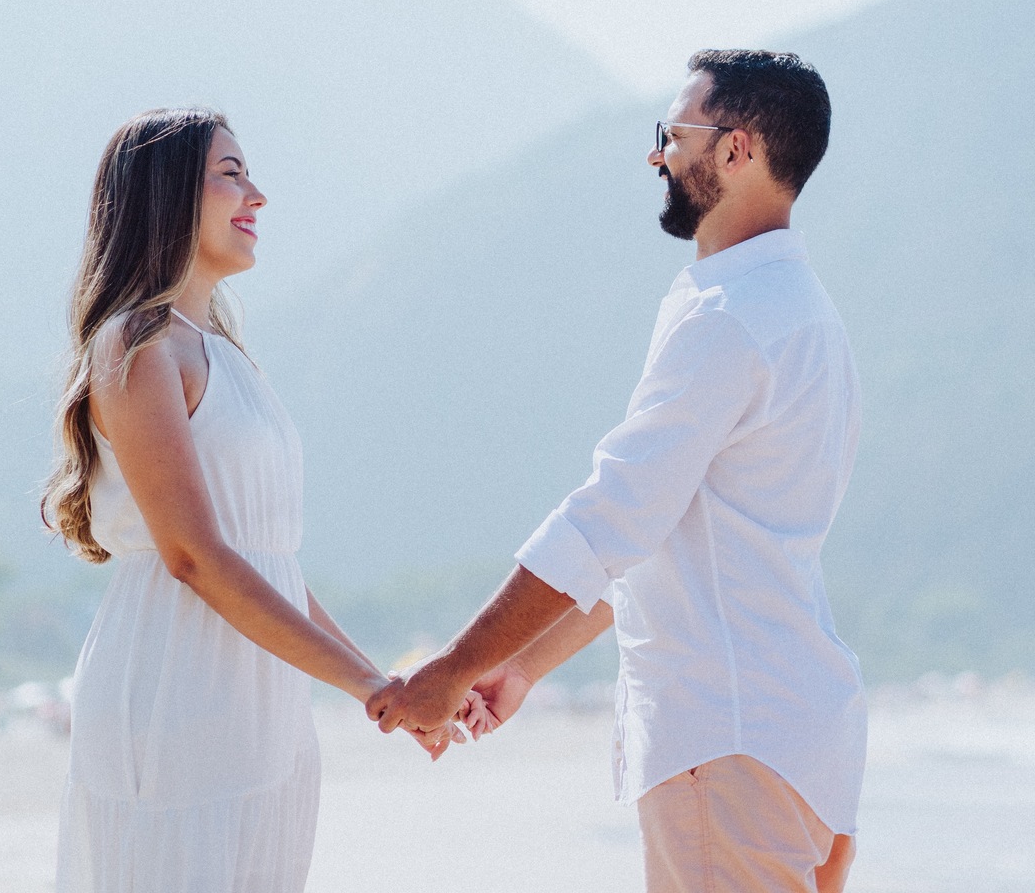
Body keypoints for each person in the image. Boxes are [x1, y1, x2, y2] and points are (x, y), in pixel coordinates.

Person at [370, 49, 865, 893]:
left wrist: (450, 669)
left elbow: (610, 521)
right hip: (801, 747)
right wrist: (520, 664)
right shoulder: (807, 317)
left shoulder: (729, 320)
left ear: (737, 150)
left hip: (728, 746)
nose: (657, 155)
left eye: (673, 133)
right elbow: (670, 536)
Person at [43, 107, 470, 893]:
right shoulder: (137, 345)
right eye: (232, 174)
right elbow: (195, 556)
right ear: (168, 196)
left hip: (262, 708)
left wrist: (380, 684)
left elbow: (268, 559)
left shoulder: (224, 356)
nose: (258, 196)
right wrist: (373, 691)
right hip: (176, 688)